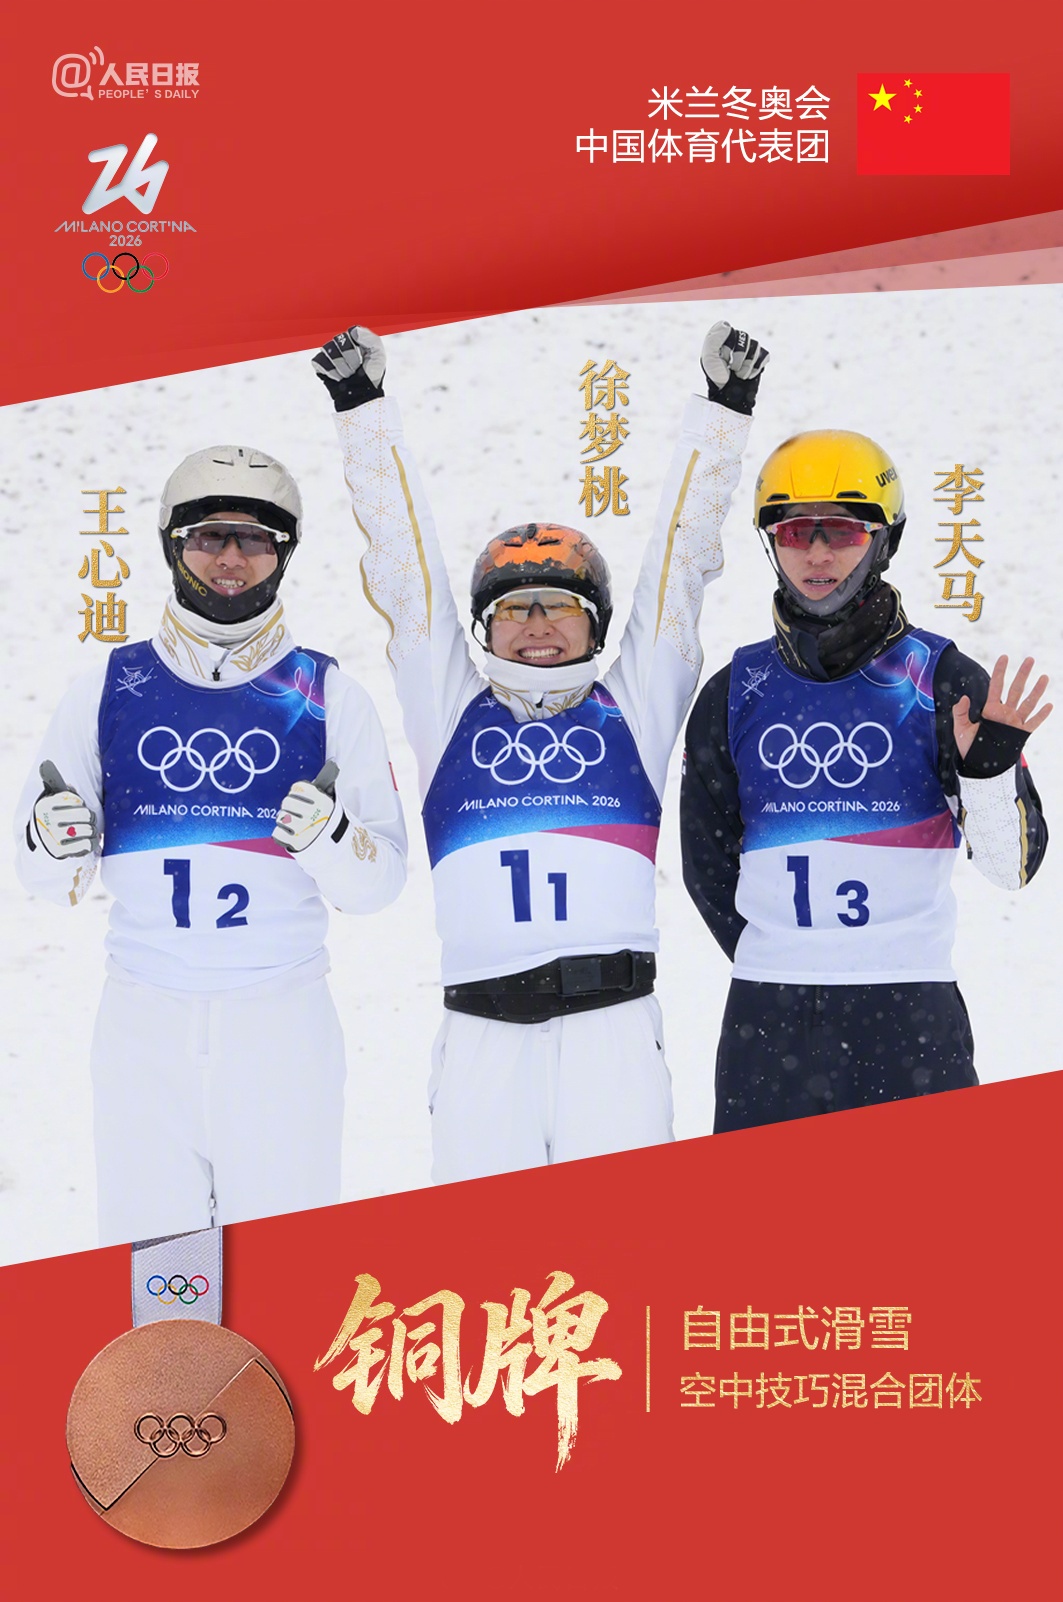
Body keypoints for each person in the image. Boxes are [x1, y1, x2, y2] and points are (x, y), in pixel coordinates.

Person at [312, 320, 768, 1181]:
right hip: (482, 1040)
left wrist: (722, 412)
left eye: (559, 605)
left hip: (613, 1035)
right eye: (514, 609)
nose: (537, 625)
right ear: (484, 628)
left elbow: (678, 568)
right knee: (486, 1257)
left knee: (627, 1249)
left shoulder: (634, 707)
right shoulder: (448, 709)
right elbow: (407, 575)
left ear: (595, 622)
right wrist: (363, 409)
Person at [15, 445, 407, 1242]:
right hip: (142, 1023)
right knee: (159, 1275)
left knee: (286, 1271)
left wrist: (330, 838)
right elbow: (40, 877)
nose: (231, 558)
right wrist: (52, 844)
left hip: (281, 1024)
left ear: (284, 553)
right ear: (173, 545)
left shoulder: (328, 694)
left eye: (255, 538)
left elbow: (381, 883)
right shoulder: (107, 688)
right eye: (208, 536)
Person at [680, 426, 1050, 1130]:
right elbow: (708, 868)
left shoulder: (944, 682)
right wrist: (791, 958)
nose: (817, 554)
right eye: (796, 532)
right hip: (768, 1023)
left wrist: (987, 774)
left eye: (844, 532)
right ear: (771, 542)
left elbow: (1013, 868)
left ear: (883, 540)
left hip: (909, 1017)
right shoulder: (734, 691)